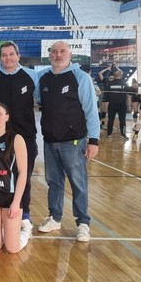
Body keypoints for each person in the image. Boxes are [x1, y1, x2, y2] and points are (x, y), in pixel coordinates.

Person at [36, 41, 100, 242]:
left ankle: (83, 223)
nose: (58, 55)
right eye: (54, 52)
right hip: (49, 141)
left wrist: (94, 140)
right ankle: (55, 218)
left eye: (62, 51)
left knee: (78, 183)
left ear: (70, 54)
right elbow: (36, 99)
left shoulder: (80, 77)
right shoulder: (43, 78)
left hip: (73, 142)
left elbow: (91, 110)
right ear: (50, 56)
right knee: (53, 182)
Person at [0, 41, 38, 233]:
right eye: (4, 55)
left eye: (11, 54)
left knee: (25, 176)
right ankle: (0, 212)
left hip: (26, 135)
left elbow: (42, 99)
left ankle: (25, 214)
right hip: (0, 137)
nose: (8, 58)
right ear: (0, 58)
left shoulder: (32, 76)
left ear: (18, 56)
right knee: (0, 176)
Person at [0, 102, 29, 253]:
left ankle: (25, 232)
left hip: (10, 196)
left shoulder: (16, 139)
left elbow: (23, 173)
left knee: (12, 249)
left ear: (7, 117)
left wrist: (16, 202)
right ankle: (5, 231)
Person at [105, 70, 130, 138]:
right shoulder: (124, 84)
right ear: (121, 76)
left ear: (114, 76)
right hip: (122, 105)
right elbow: (130, 92)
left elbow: (106, 96)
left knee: (110, 120)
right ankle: (123, 134)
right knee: (122, 120)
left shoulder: (109, 84)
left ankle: (109, 134)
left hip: (112, 105)